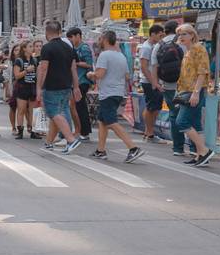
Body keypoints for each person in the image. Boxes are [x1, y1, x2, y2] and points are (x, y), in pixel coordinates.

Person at [87, 31, 145, 163]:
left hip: (108, 93)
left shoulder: (104, 55)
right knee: (102, 121)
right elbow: (127, 76)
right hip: (118, 92)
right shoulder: (121, 56)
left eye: (101, 38)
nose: (99, 41)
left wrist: (91, 74)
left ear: (106, 40)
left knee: (111, 122)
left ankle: (133, 148)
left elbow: (100, 74)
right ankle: (100, 150)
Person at [37, 21, 83, 154]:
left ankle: (70, 139)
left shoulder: (47, 48)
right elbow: (73, 68)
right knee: (57, 114)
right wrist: (76, 87)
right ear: (60, 32)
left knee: (54, 113)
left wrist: (39, 88)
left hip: (52, 86)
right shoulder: (69, 47)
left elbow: (43, 69)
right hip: (66, 86)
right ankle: (49, 142)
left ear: (47, 33)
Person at [173, 24, 215, 167]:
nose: (181, 37)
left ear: (192, 35)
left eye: (184, 34)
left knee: (182, 121)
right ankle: (201, 155)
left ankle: (204, 151)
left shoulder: (198, 48)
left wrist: (196, 93)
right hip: (186, 91)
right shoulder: (188, 50)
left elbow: (202, 72)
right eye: (179, 34)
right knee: (196, 124)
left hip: (194, 91)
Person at [149, 20, 189, 156]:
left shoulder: (158, 45)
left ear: (164, 31)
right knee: (187, 114)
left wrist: (156, 83)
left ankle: (178, 148)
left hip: (167, 85)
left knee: (173, 114)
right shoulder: (183, 42)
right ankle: (194, 147)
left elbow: (154, 66)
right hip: (184, 85)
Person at [138, 25, 165, 143]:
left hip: (154, 81)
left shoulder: (155, 46)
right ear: (153, 34)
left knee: (154, 107)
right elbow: (144, 67)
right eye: (160, 35)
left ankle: (148, 132)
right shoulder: (146, 47)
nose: (162, 37)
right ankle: (150, 134)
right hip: (149, 82)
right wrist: (154, 82)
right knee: (151, 108)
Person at [67, 27, 93, 141]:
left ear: (78, 36)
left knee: (80, 106)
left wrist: (76, 63)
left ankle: (85, 132)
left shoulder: (84, 48)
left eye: (72, 37)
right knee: (75, 106)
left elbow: (89, 64)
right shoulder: (73, 48)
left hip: (82, 81)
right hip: (75, 81)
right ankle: (79, 130)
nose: (71, 40)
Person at [12, 42, 40, 139]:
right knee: (21, 109)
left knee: (32, 110)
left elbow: (37, 75)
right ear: (24, 49)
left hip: (32, 87)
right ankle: (20, 130)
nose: (32, 48)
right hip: (22, 87)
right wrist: (27, 70)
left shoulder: (34, 60)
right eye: (30, 46)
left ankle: (32, 130)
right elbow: (16, 76)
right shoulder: (19, 61)